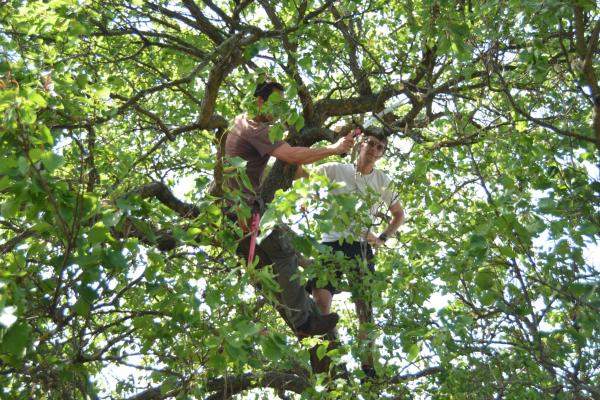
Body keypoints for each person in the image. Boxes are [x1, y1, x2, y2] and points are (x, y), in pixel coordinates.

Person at [223, 80, 354, 337]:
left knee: (291, 248)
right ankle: (304, 322)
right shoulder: (255, 128)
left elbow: (293, 168)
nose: (279, 111)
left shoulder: (242, 120)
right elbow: (291, 156)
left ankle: (306, 288)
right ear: (259, 102)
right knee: (284, 253)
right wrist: (333, 148)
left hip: (240, 209)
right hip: (246, 213)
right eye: (275, 105)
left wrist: (315, 181)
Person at [306, 131, 405, 376]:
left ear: (382, 154)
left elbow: (398, 214)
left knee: (365, 312)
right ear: (362, 144)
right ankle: (325, 359)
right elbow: (304, 179)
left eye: (379, 147)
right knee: (321, 304)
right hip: (329, 243)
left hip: (360, 247)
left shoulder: (382, 180)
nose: (373, 148)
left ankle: (368, 367)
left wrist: (382, 238)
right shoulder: (335, 169)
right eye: (371, 143)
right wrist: (308, 200)